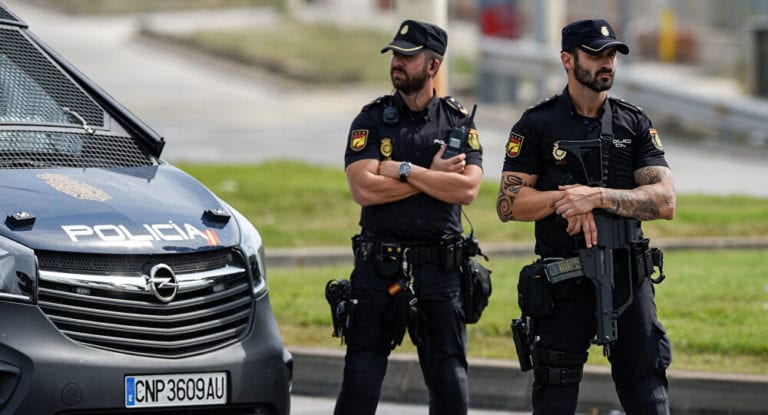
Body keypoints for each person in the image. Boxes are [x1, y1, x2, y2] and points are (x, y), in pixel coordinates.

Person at [496, 19, 675, 414]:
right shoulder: (537, 124)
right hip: (564, 282)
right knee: (555, 396)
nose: (606, 62)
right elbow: (509, 204)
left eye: (611, 54)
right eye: (596, 54)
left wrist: (595, 198)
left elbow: (665, 201)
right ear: (568, 60)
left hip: (628, 280)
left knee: (649, 394)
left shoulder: (633, 122)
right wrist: (564, 201)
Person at [335, 19, 484, 415]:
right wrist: (434, 178)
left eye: (407, 56)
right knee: (360, 382)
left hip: (440, 271)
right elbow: (364, 189)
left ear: (433, 65)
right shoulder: (371, 119)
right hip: (378, 270)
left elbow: (467, 190)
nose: (397, 62)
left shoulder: (456, 122)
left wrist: (402, 170)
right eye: (395, 55)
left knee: (450, 384)